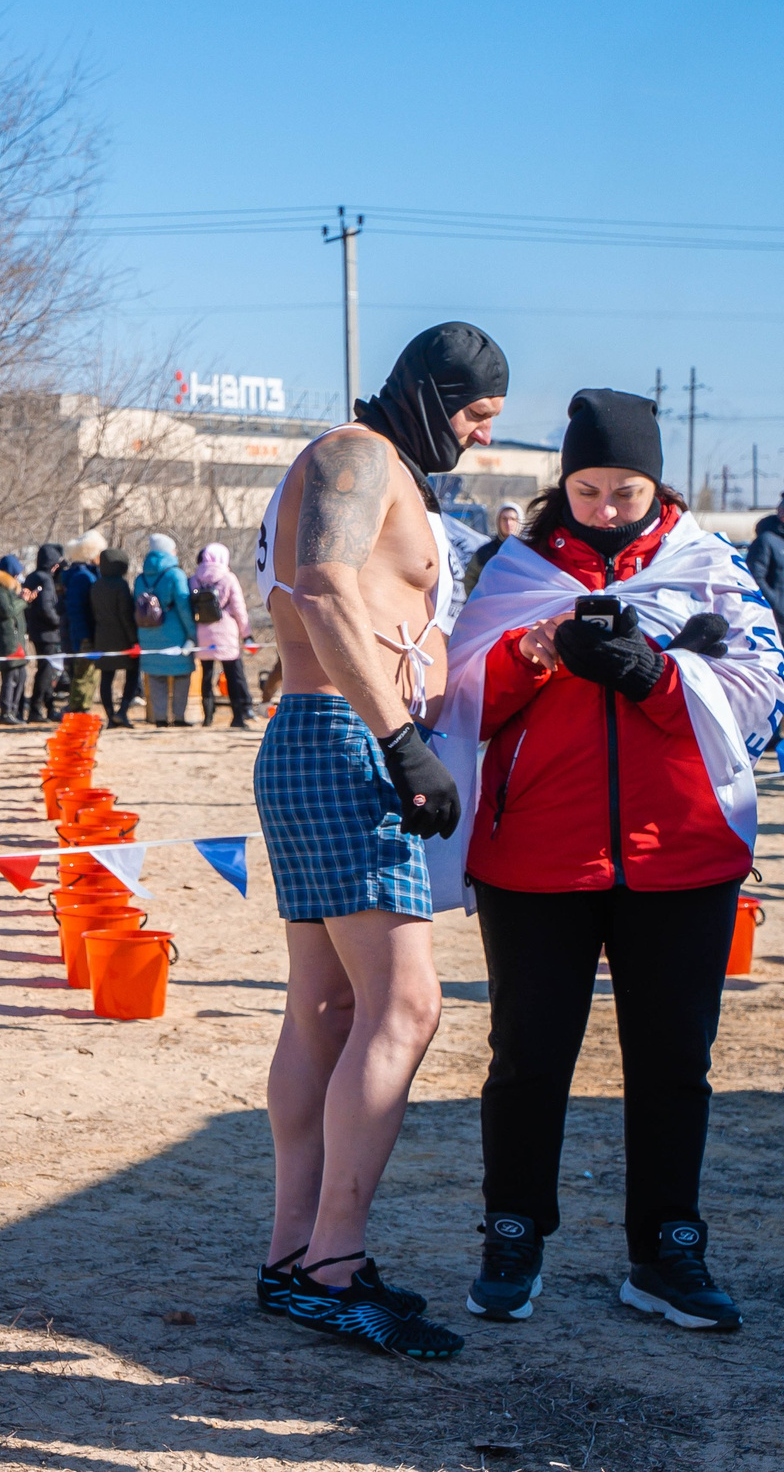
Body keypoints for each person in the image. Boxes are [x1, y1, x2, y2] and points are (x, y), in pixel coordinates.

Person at [433, 390, 781, 1331]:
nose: (606, 508)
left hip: (684, 854)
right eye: (587, 489)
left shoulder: (710, 570)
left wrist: (655, 675)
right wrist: (533, 655)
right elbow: (460, 700)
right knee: (527, 1056)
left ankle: (667, 1244)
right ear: (564, 484)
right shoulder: (515, 567)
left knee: (674, 1060)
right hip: (537, 857)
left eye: (624, 489)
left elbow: (761, 698)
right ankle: (514, 1229)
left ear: (654, 481)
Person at [249, 320, 509, 1360]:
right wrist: (400, 738)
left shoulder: (384, 464)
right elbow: (321, 589)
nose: (481, 440)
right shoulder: (354, 455)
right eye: (477, 416)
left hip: (330, 738)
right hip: (347, 740)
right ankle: (332, 1261)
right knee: (403, 1004)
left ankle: (294, 1257)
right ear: (435, 393)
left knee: (326, 1007)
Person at [190, 541, 254, 729]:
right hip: (226, 632)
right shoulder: (228, 578)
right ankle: (237, 717)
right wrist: (246, 634)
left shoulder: (195, 578)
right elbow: (239, 608)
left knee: (206, 676)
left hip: (203, 632)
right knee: (233, 675)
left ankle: (208, 717)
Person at [134, 534, 195, 726]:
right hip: (175, 634)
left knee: (156, 676)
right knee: (182, 676)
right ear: (169, 551)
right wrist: (192, 635)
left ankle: (159, 718)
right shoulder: (175, 575)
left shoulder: (140, 578)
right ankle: (178, 717)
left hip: (147, 634)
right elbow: (184, 607)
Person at [89, 548, 141, 728]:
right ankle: (122, 711)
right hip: (123, 637)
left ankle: (111, 716)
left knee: (106, 676)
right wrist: (134, 640)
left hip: (102, 636)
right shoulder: (121, 585)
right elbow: (125, 614)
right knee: (133, 673)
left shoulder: (96, 584)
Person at [58, 532, 104, 714]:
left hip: (81, 634)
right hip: (82, 635)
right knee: (84, 676)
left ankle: (79, 710)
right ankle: (77, 713)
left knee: (87, 675)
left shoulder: (80, 575)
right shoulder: (82, 577)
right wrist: (85, 637)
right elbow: (76, 611)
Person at [22, 544, 66, 722]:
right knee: (46, 671)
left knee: (47, 670)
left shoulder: (32, 577)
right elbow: (46, 607)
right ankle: (36, 709)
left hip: (35, 630)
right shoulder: (46, 580)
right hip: (48, 632)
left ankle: (49, 707)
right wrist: (59, 623)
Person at [0, 558, 30, 723]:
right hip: (6, 636)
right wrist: (23, 601)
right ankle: (6, 712)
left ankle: (15, 710)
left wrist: (23, 598)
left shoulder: (9, 588)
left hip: (16, 635)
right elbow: (7, 611)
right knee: (11, 674)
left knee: (21, 674)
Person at [464, 501, 523, 595]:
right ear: (498, 521)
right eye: (504, 519)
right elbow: (470, 580)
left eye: (512, 519)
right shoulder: (484, 552)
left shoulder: (527, 552)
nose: (508, 523)